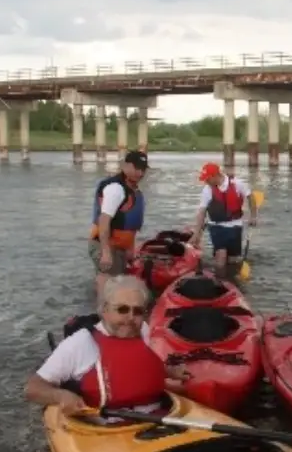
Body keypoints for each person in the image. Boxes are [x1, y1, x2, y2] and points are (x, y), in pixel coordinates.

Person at [25, 275, 188, 418]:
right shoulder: (81, 343)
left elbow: (134, 367)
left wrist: (169, 371)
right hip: (107, 426)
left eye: (138, 311)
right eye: (122, 309)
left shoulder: (143, 329)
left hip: (157, 417)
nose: (130, 318)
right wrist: (60, 396)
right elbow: (33, 388)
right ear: (104, 310)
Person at [88, 150, 148, 298]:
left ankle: (101, 307)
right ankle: (102, 314)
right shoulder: (116, 189)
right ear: (125, 166)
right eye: (136, 168)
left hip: (120, 247)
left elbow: (130, 227)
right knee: (108, 284)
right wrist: (106, 253)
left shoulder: (133, 190)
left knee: (115, 284)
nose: (140, 173)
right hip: (107, 245)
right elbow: (104, 220)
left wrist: (130, 250)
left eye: (143, 169)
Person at [189, 162, 258, 276]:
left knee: (233, 260)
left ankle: (232, 281)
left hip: (235, 226)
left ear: (215, 176)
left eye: (207, 179)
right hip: (216, 226)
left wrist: (253, 216)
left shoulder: (237, 184)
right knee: (221, 256)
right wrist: (196, 233)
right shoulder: (207, 189)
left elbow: (251, 197)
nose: (205, 181)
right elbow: (202, 212)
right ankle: (220, 280)